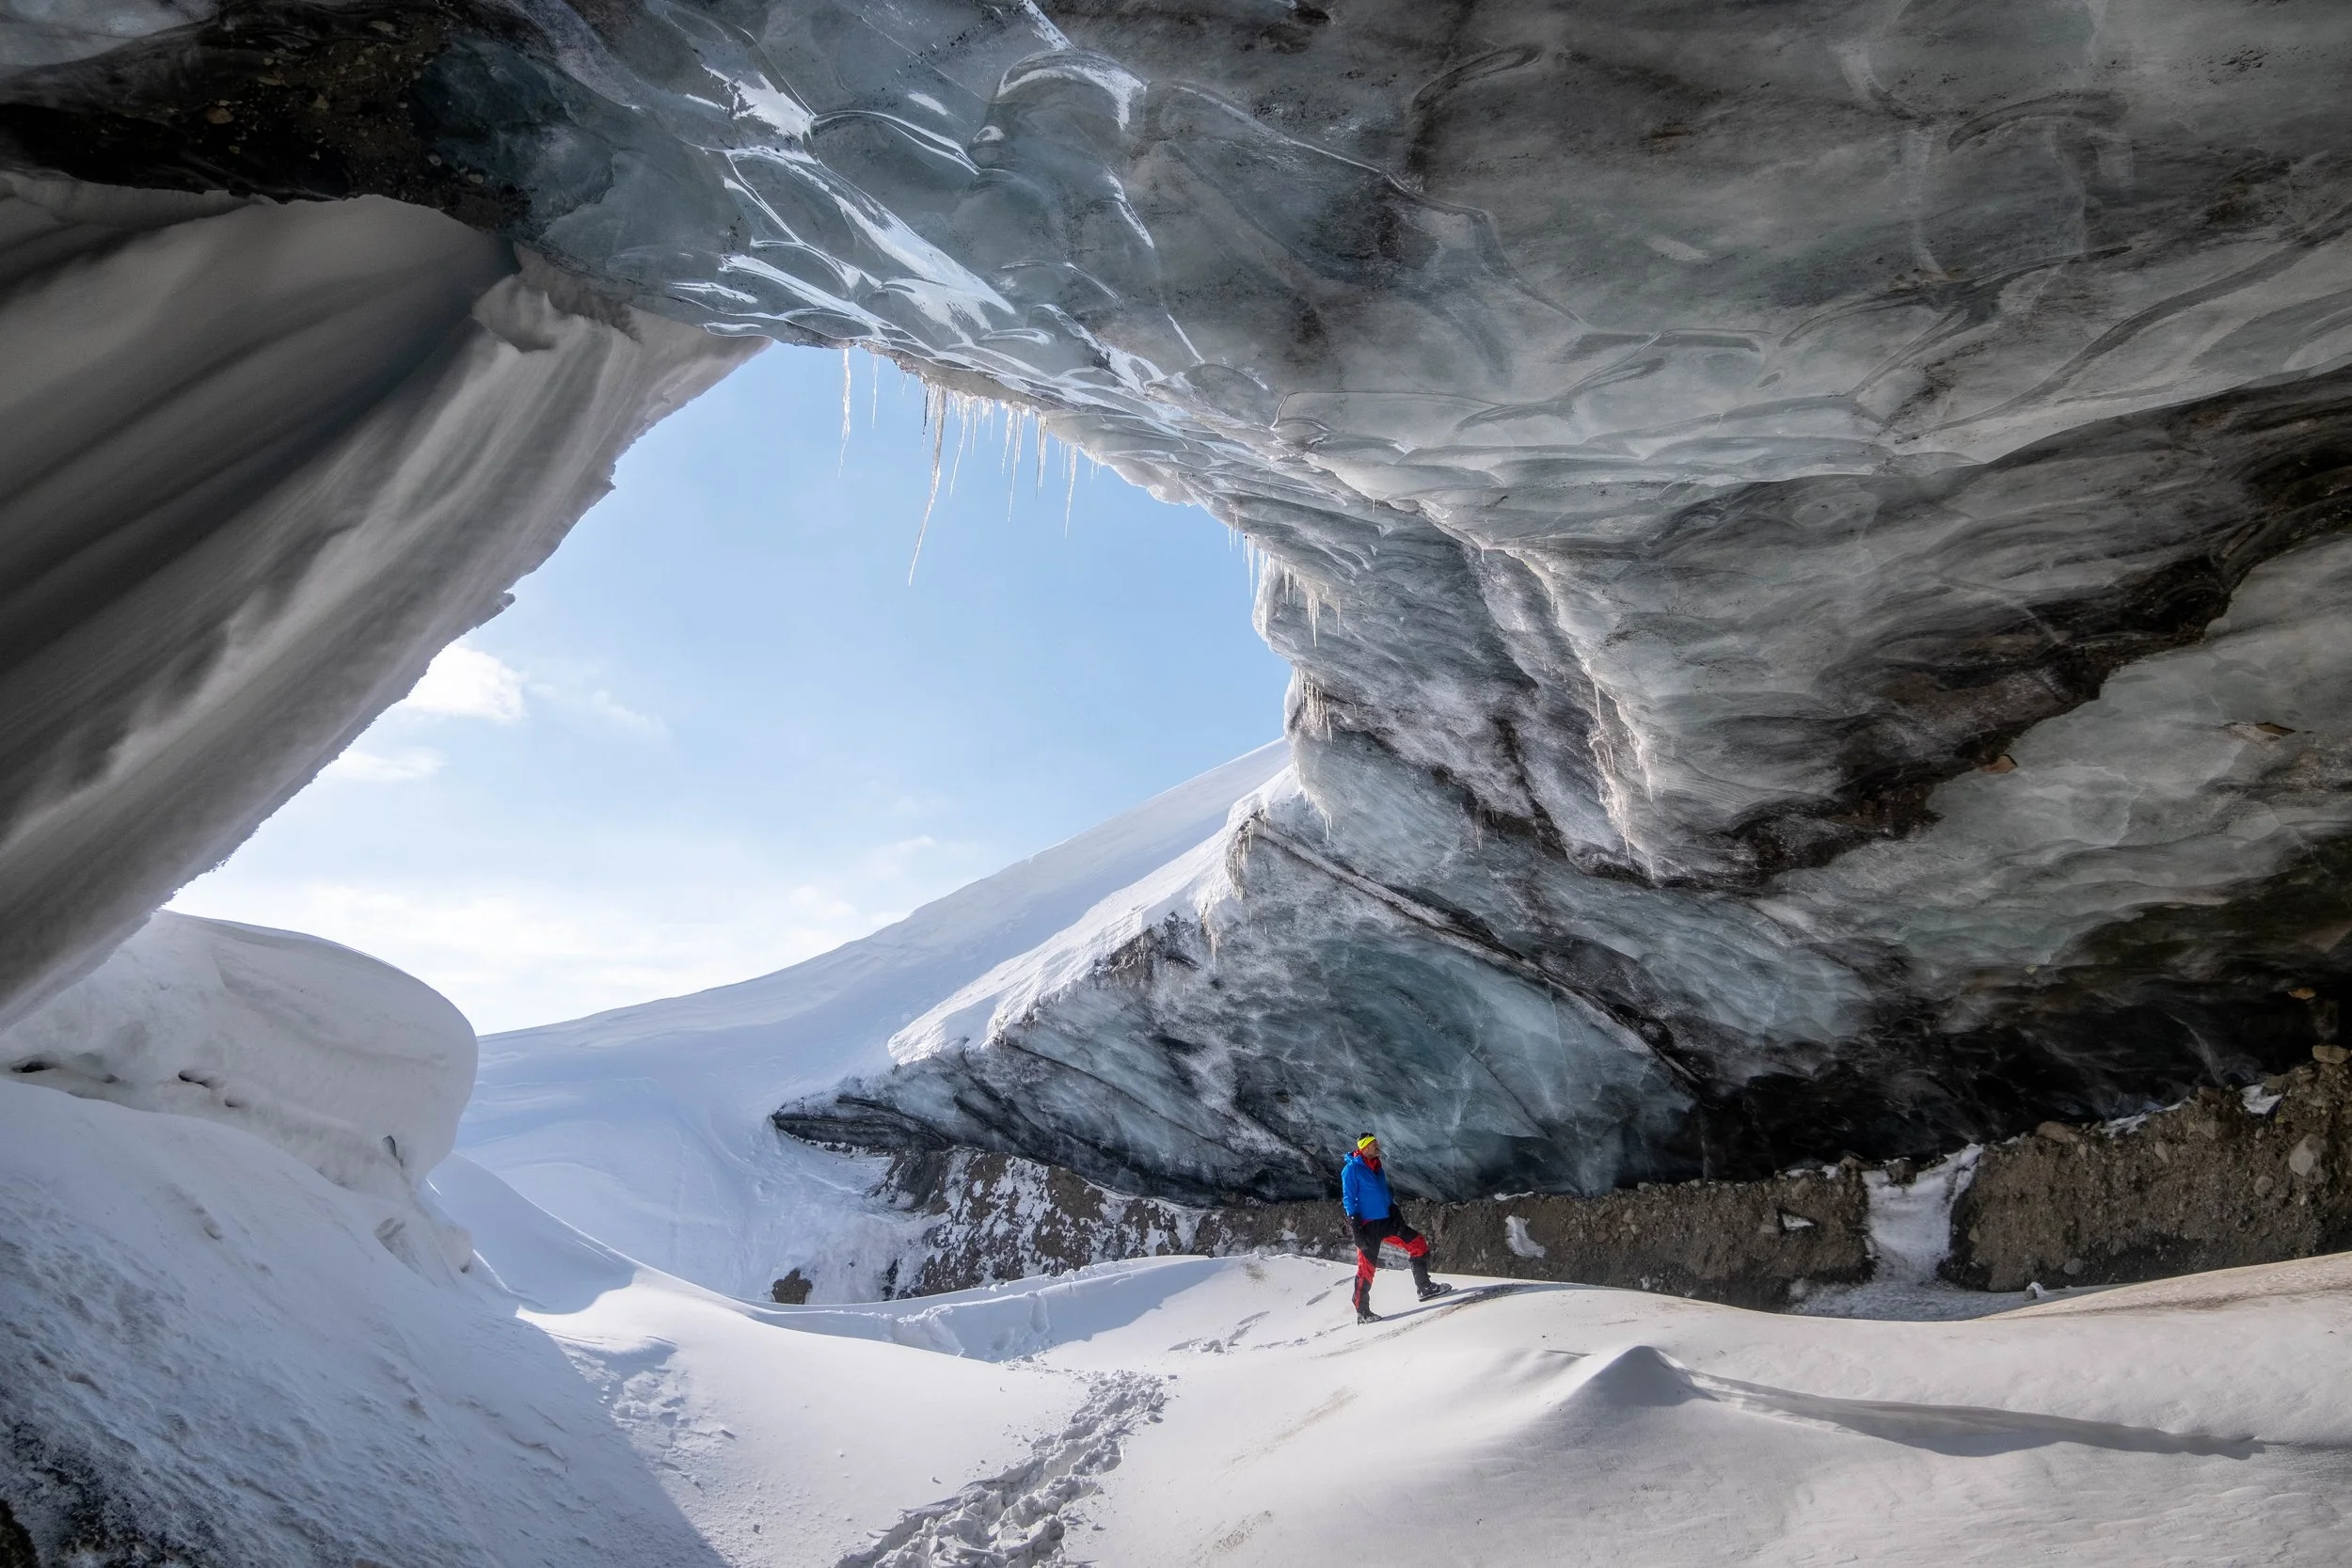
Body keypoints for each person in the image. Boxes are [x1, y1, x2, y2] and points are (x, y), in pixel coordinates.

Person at [1340, 1132, 1451, 1323]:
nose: (1378, 1147)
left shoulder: (1377, 1167)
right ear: (1364, 1147)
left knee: (1417, 1243)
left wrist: (1394, 1212)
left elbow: (1383, 1194)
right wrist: (1356, 1228)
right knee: (1366, 1269)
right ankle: (1362, 1312)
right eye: (1374, 1144)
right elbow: (1349, 1199)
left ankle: (1424, 1288)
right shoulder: (1351, 1170)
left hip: (1386, 1220)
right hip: (1367, 1226)